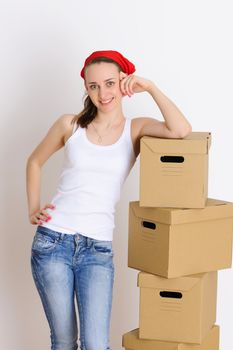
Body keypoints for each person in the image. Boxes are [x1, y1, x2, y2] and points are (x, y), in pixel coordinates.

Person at [26, 50, 192, 350]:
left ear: (123, 83)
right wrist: (33, 209)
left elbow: (180, 130)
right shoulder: (70, 125)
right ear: (86, 90)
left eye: (110, 83)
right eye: (94, 86)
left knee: (96, 344)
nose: (102, 93)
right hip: (52, 243)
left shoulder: (136, 129)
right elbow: (35, 161)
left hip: (97, 249)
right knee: (63, 341)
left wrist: (151, 87)